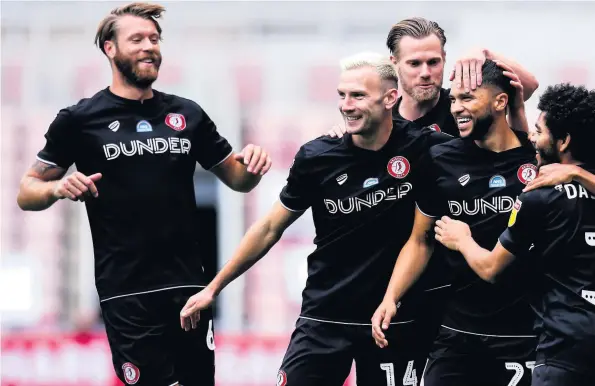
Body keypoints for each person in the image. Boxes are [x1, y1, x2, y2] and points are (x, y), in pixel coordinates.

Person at [16, 3, 271, 386]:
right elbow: (26, 191)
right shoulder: (80, 120)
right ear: (109, 48)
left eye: (154, 39)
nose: (149, 46)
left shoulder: (188, 114)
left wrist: (251, 167)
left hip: (189, 288)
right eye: (136, 39)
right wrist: (56, 187)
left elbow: (237, 180)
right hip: (127, 291)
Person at [179, 52, 453, 386]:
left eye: (358, 96)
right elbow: (269, 228)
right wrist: (214, 287)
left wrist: (390, 299)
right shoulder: (317, 156)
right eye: (342, 95)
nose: (346, 105)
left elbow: (420, 239)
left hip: (392, 320)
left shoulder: (423, 149)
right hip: (325, 316)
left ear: (390, 98)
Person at [371, 61, 595, 386]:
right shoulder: (438, 158)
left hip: (524, 332)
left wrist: (577, 174)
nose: (457, 108)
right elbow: (421, 239)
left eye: (468, 98)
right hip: (457, 330)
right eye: (454, 99)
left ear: (500, 102)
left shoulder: (539, 163)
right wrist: (391, 297)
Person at [433, 83, 595, 386]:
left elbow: (492, 268)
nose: (531, 137)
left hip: (564, 348)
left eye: (538, 130)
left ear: (564, 141)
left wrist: (463, 240)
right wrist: (580, 174)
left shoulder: (537, 198)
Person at [330, 17, 540, 138]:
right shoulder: (384, 119)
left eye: (433, 62)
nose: (425, 73)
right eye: (414, 63)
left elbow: (528, 86)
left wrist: (486, 53)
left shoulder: (465, 107)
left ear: (444, 58)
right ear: (394, 63)